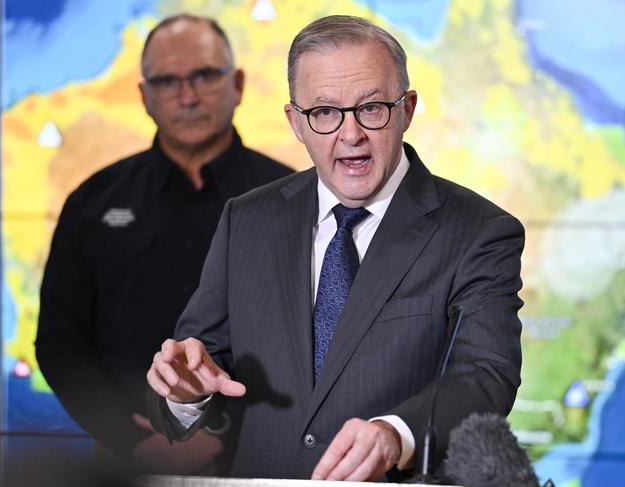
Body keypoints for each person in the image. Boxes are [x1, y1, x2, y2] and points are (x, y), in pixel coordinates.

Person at [146, 15, 524, 481]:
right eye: (324, 113)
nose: (350, 135)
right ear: (296, 123)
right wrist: (185, 395)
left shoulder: (479, 232)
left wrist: (394, 434)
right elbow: (201, 362)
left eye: (371, 108)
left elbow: (486, 376)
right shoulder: (246, 220)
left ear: (406, 109)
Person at [35, 14, 292, 473]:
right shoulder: (93, 203)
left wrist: (236, 436)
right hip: (130, 460)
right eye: (168, 81)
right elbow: (60, 344)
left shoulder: (296, 199)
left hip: (267, 460)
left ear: (237, 84)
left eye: (204, 76)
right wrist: (132, 438)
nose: (188, 96)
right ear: (144, 96)